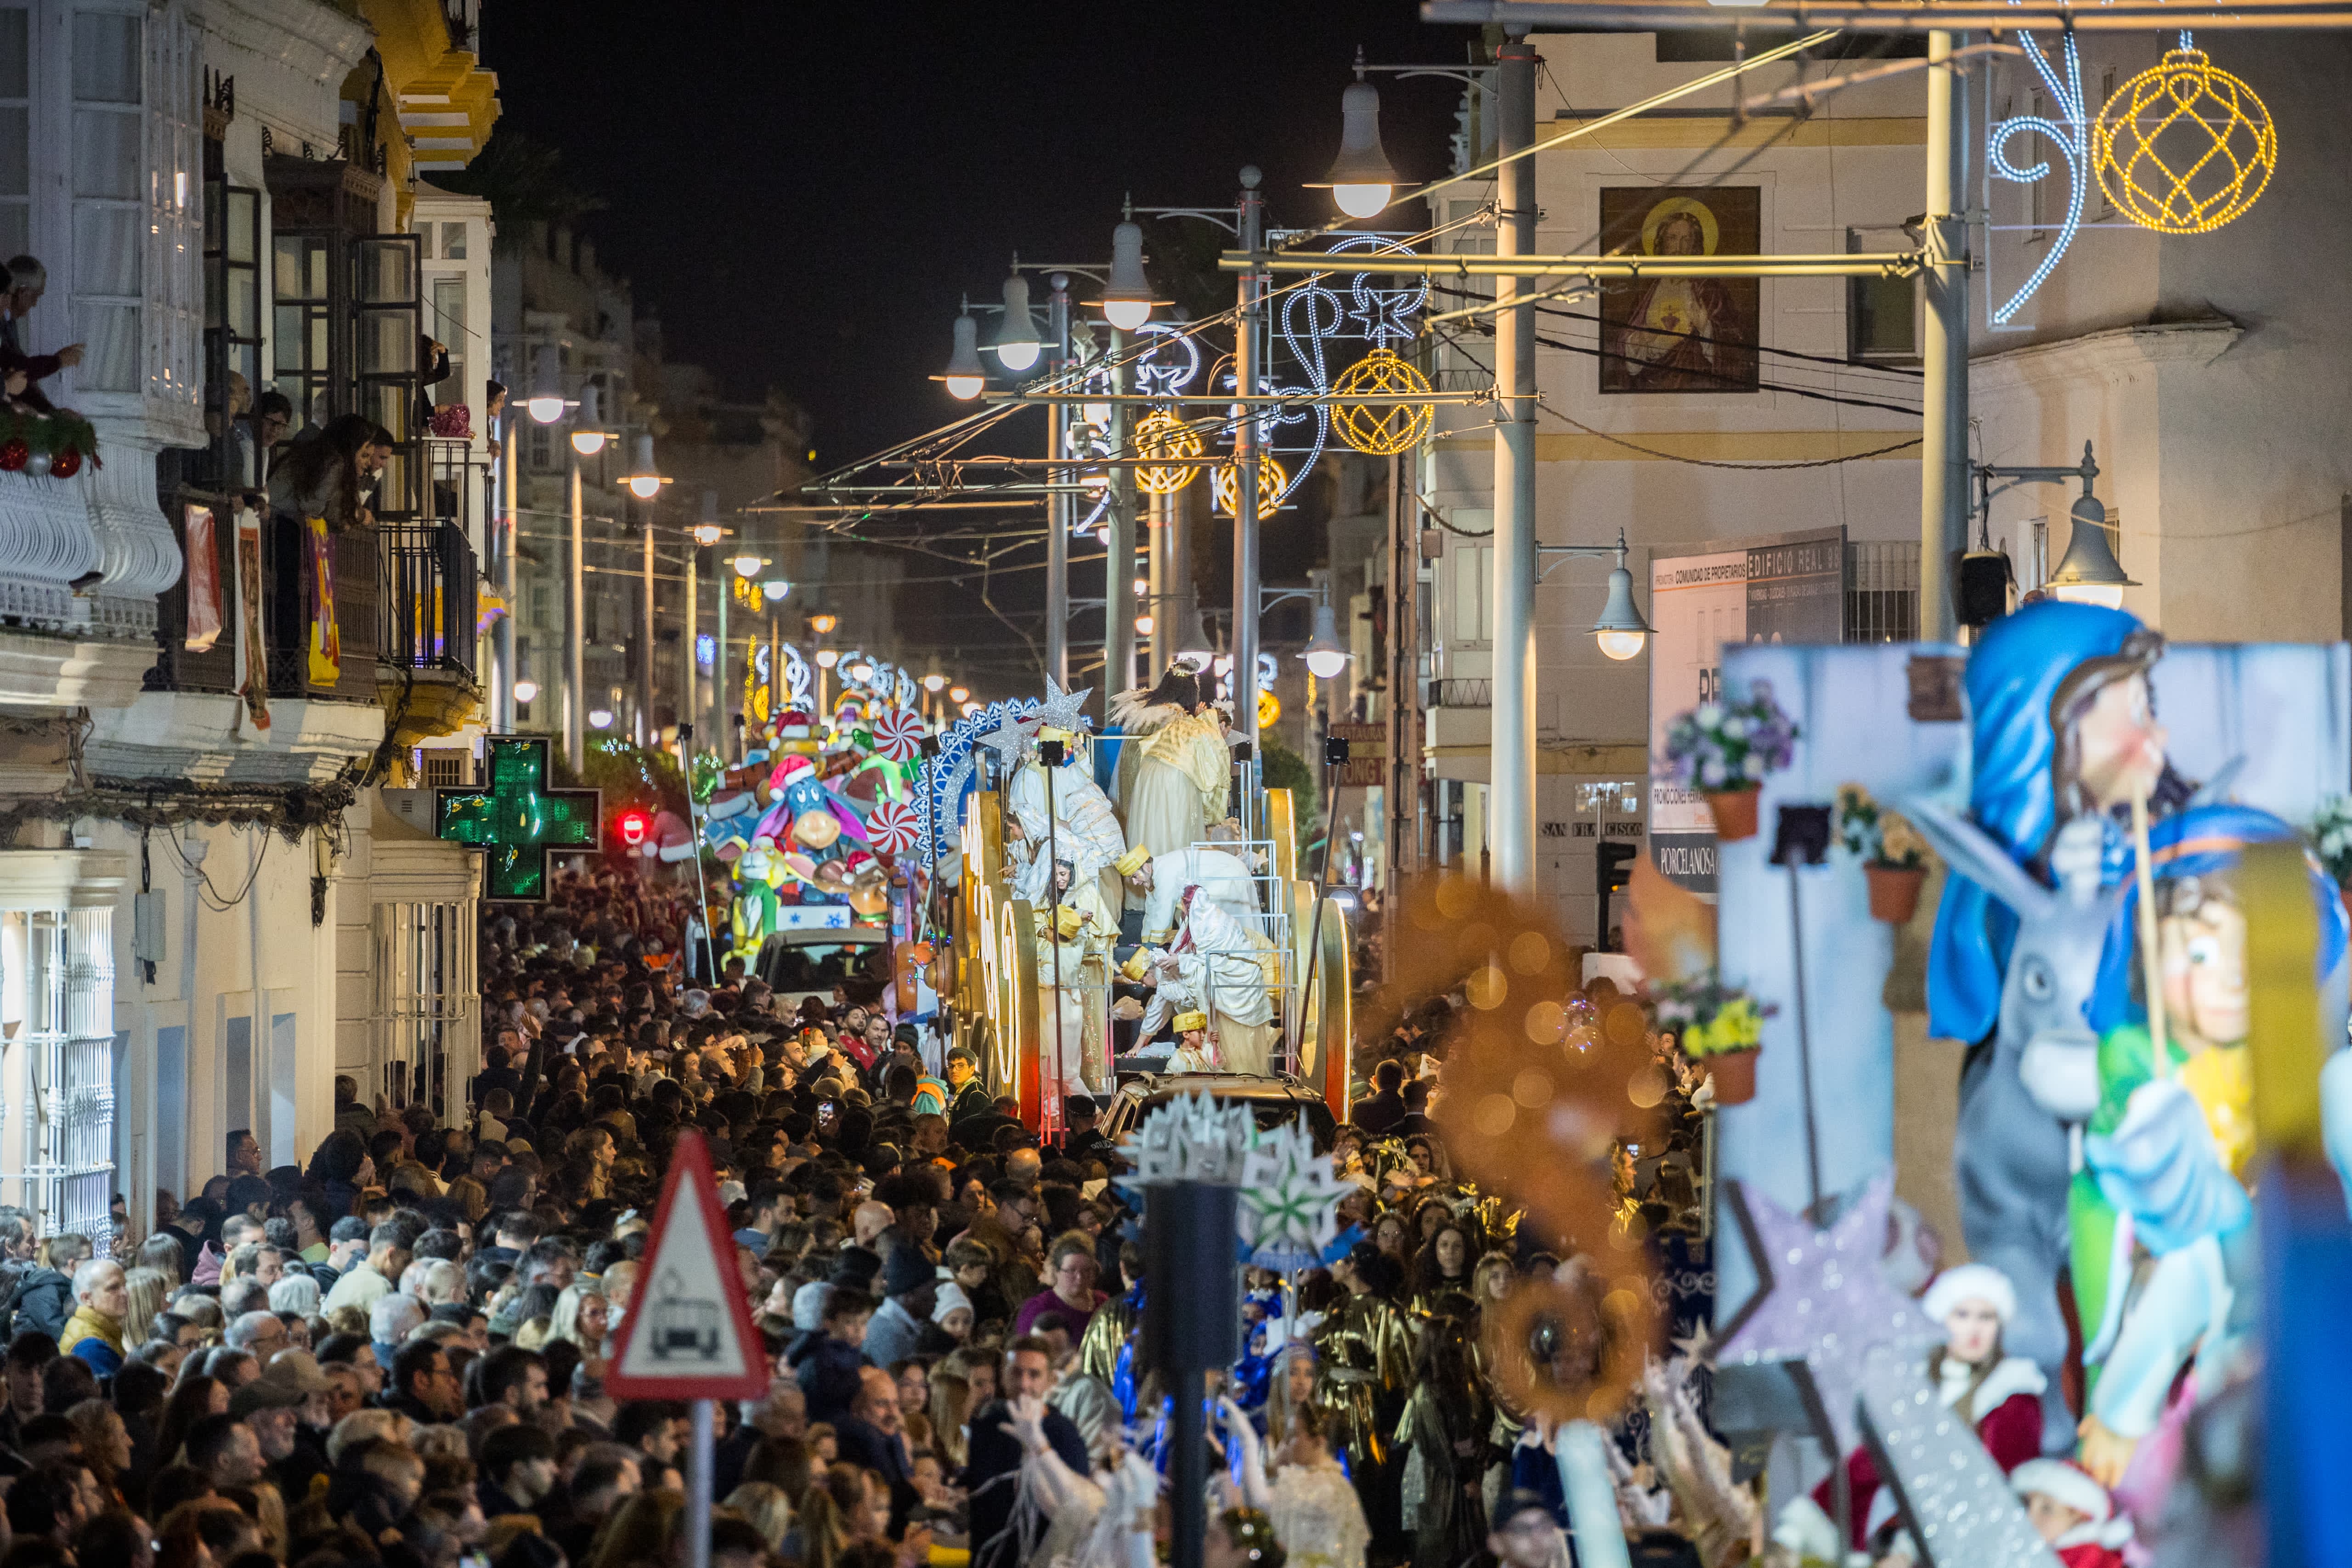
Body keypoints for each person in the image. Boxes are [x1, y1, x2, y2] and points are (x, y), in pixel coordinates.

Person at [1807, 1262, 2044, 1551]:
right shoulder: (1919, 1388)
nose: (1975, 1328)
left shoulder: (2013, 1393)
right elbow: (1868, 1463)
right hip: (1903, 1531)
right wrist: (1812, 1518)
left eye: (1987, 1317)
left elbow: (1994, 1488)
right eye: (1962, 1315)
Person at [0, 256, 84, 412]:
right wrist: (58, 361)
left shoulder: (9, 322)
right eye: (36, 296)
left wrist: (51, 412)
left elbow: (21, 380)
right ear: (23, 293)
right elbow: (18, 369)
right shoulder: (4, 323)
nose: (35, 304)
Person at [57, 1261, 126, 1377]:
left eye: (124, 1285)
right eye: (113, 1288)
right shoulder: (91, 1348)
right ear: (87, 1298)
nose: (125, 1293)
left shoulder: (102, 1329)